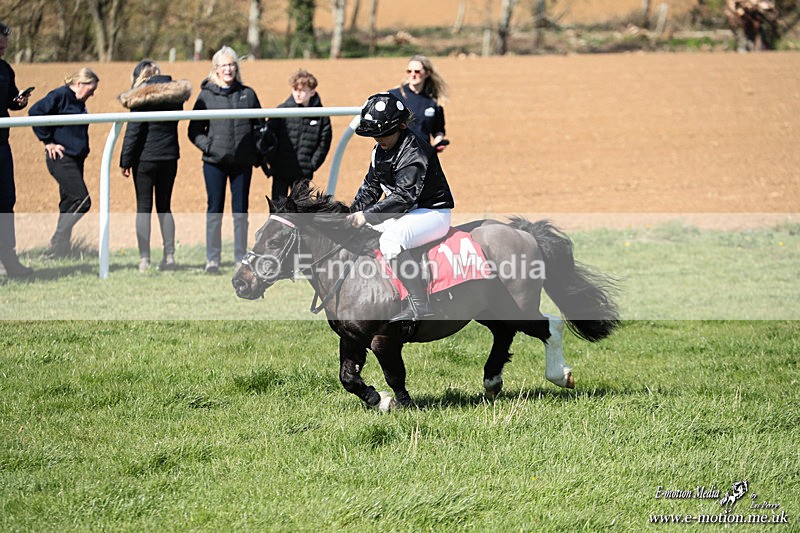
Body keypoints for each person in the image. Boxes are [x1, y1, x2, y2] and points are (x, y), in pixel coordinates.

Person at [347, 92, 455, 323]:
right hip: (406, 213)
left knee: (391, 241)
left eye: (384, 134)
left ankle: (420, 304)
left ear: (402, 125)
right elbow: (370, 188)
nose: (379, 140)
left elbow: (404, 197)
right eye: (374, 135)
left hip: (432, 212)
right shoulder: (379, 151)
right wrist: (349, 214)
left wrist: (366, 216)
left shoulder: (414, 151)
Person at [188, 46, 263, 274]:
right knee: (215, 211)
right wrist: (209, 147)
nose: (228, 69)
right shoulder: (206, 95)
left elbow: (259, 126)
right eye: (224, 65)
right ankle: (213, 259)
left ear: (236, 68)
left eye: (231, 65)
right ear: (216, 69)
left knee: (241, 212)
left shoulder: (248, 94)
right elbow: (194, 130)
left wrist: (255, 151)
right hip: (214, 163)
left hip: (242, 163)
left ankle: (241, 257)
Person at [118, 60, 191, 273]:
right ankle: (169, 256)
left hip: (145, 159)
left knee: (143, 208)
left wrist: (125, 161)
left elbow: (134, 131)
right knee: (165, 207)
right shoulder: (175, 95)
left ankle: (144, 259)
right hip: (169, 157)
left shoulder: (142, 96)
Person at [29, 67, 99, 258]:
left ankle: (60, 251)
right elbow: (35, 112)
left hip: (76, 159)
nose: (92, 95)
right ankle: (57, 239)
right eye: (90, 90)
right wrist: (48, 141)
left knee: (68, 203)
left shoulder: (78, 101)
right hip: (61, 159)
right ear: (79, 84)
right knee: (82, 201)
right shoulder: (61, 95)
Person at [261, 69, 332, 201]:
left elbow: (324, 144)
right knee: (278, 211)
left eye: (302, 90)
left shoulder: (321, 115)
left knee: (301, 214)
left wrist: (311, 165)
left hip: (302, 174)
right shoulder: (281, 111)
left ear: (312, 91)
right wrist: (273, 161)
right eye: (295, 90)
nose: (298, 94)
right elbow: (268, 137)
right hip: (280, 171)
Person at [0, 21, 33, 278]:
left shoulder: (5, 70)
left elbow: (11, 101)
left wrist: (19, 101)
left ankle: (9, 260)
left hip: (2, 145)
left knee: (6, 200)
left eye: (5, 44)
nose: (3, 47)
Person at [388, 55, 449, 152]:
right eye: (409, 71)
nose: (413, 74)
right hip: (397, 156)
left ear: (427, 73)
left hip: (422, 156)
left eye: (417, 71)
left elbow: (438, 131)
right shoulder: (393, 96)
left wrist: (438, 143)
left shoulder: (433, 102)